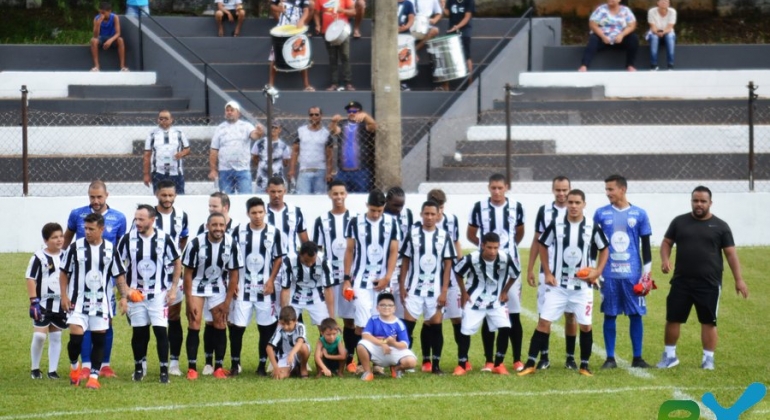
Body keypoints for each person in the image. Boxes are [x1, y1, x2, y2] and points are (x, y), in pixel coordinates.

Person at [519, 189, 609, 377]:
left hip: (582, 288)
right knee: (543, 322)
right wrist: (548, 271)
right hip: (558, 286)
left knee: (585, 325)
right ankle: (530, 363)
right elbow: (542, 244)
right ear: (566, 204)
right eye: (571, 202)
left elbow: (605, 248)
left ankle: (584, 365)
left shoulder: (592, 226)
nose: (574, 206)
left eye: (577, 203)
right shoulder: (556, 225)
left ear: (584, 204)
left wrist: (597, 271)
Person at [658, 186, 748, 370]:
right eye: (695, 200)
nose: (698, 204)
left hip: (709, 284)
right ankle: (669, 356)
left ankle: (708, 359)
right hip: (681, 282)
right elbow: (667, 242)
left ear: (710, 203)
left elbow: (731, 255)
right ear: (691, 201)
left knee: (708, 321)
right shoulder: (679, 222)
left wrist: (739, 280)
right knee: (673, 318)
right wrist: (665, 259)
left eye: (703, 201)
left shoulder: (721, 227)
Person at [63, 180, 126, 381]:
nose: (96, 201)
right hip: (80, 286)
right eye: (92, 197)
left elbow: (121, 245)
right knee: (79, 332)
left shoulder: (119, 218)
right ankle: (83, 364)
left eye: (99, 197)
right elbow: (67, 239)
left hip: (106, 284)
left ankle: (102, 367)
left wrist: (123, 292)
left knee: (104, 325)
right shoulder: (77, 214)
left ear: (107, 195)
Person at [466, 173, 525, 372]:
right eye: (493, 188)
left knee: (514, 314)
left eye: (500, 188)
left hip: (509, 267)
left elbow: (520, 232)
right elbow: (471, 234)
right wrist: (485, 250)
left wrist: (506, 252)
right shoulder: (478, 207)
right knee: (487, 311)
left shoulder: (517, 206)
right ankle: (489, 360)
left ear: (506, 187)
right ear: (488, 187)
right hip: (486, 270)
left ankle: (517, 359)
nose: (497, 191)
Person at [117, 205, 181, 384]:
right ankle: (139, 368)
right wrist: (125, 292)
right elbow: (119, 268)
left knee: (161, 332)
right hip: (136, 296)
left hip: (158, 295)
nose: (137, 222)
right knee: (139, 333)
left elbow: (177, 262)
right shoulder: (127, 239)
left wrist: (173, 288)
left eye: (141, 219)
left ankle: (163, 371)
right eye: (136, 219)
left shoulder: (164, 239)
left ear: (152, 220)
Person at [594, 175, 653, 369]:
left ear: (622, 189)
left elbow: (645, 246)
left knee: (636, 314)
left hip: (632, 275)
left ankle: (638, 357)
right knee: (609, 314)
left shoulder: (640, 214)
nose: (608, 193)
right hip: (609, 274)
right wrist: (594, 271)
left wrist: (646, 274)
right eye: (607, 189)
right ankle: (610, 358)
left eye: (611, 189)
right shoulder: (600, 214)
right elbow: (594, 244)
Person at [182, 212, 243, 380]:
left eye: (221, 225)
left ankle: (218, 367)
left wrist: (227, 302)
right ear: (207, 226)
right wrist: (188, 301)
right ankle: (192, 368)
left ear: (225, 227)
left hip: (217, 286)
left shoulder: (232, 244)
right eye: (214, 225)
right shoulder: (195, 244)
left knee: (220, 323)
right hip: (197, 285)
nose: (218, 228)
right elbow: (187, 274)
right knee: (194, 322)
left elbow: (234, 275)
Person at [342, 189, 400, 367]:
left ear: (384, 207)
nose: (375, 214)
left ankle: (378, 363)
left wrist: (387, 278)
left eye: (379, 210)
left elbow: (393, 251)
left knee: (381, 322)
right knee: (361, 322)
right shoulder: (355, 222)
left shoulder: (392, 223)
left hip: (383, 282)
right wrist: (346, 279)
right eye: (372, 210)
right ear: (367, 205)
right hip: (360, 280)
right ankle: (362, 361)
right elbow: (350, 250)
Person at [526, 176, 578, 370]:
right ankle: (544, 357)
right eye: (558, 190)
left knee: (571, 315)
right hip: (547, 272)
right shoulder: (545, 211)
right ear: (553, 190)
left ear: (570, 189)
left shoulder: (578, 210)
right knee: (544, 314)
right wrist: (531, 267)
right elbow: (537, 241)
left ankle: (570, 358)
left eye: (565, 190)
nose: (562, 194)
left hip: (572, 271)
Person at [230, 197, 285, 376]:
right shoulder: (238, 232)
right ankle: (235, 364)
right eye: (254, 213)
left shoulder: (274, 233)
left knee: (265, 328)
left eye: (261, 212)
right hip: (243, 289)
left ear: (265, 212)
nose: (257, 216)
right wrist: (234, 282)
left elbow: (278, 258)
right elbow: (232, 258)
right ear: (248, 214)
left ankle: (262, 365)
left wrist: (271, 281)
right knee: (238, 328)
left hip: (265, 290)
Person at [398, 200, 455, 375]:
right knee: (408, 327)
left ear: (438, 215)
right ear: (421, 214)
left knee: (436, 327)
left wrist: (444, 290)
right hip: (414, 289)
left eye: (432, 214)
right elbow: (405, 262)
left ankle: (435, 365)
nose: (429, 217)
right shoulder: (413, 234)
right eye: (426, 214)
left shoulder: (444, 236)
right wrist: (402, 286)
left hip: (435, 291)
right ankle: (405, 362)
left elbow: (447, 265)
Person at [453, 232, 518, 376]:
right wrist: (463, 292)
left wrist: (505, 291)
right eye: (489, 247)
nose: (493, 251)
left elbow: (515, 274)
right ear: (482, 246)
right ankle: (462, 365)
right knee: (465, 330)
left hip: (496, 301)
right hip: (474, 300)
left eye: (496, 248)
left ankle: (498, 364)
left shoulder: (505, 258)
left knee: (505, 327)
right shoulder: (472, 258)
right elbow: (458, 272)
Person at [312, 180, 358, 372]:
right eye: (335, 193)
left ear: (346, 195)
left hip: (350, 276)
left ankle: (349, 360)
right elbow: (318, 250)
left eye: (342, 193)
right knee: (327, 320)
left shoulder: (355, 218)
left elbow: (358, 247)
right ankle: (325, 360)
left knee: (350, 319)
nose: (338, 197)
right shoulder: (322, 220)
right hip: (329, 278)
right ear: (329, 195)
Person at [152, 180, 189, 376]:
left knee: (174, 317)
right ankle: (141, 362)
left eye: (171, 195)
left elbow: (183, 239)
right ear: (157, 193)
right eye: (164, 195)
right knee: (149, 321)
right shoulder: (148, 215)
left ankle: (174, 362)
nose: (167, 199)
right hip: (150, 277)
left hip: (173, 275)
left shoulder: (182, 216)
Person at [426, 188, 466, 372]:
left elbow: (456, 241)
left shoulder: (451, 219)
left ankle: (463, 358)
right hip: (432, 280)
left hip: (451, 279)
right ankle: (428, 360)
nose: (439, 213)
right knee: (431, 320)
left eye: (441, 208)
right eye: (436, 208)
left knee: (457, 318)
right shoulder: (424, 224)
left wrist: (460, 261)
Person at [26, 223, 66, 380]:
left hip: (61, 305)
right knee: (40, 337)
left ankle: (52, 371)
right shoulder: (39, 257)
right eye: (54, 237)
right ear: (45, 240)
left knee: (56, 337)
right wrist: (33, 300)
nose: (59, 240)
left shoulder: (66, 255)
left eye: (61, 236)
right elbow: (30, 278)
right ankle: (35, 368)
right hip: (42, 304)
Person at [356, 290, 417, 380]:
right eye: (383, 305)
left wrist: (393, 343)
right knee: (361, 345)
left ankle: (396, 369)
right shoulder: (373, 319)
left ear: (394, 308)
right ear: (377, 308)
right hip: (377, 349)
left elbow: (405, 344)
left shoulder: (399, 323)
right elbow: (365, 335)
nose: (386, 307)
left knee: (412, 361)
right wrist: (383, 343)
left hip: (392, 350)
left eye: (389, 305)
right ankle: (368, 372)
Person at [209, 101, 265, 195]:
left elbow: (254, 136)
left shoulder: (246, 126)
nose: (229, 112)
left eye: (232, 110)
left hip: (242, 170)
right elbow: (214, 150)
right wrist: (213, 170)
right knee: (226, 199)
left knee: (245, 198)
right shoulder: (220, 128)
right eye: (227, 110)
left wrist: (259, 132)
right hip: (225, 170)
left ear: (238, 113)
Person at [281, 241, 335, 328]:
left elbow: (328, 289)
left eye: (312, 261)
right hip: (294, 294)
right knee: (287, 325)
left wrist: (332, 318)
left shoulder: (324, 261)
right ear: (300, 255)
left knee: (328, 327)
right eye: (306, 261)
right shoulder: (289, 260)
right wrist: (283, 314)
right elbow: (285, 289)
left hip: (316, 294)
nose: (309, 264)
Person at [328, 101, 377, 193]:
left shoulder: (364, 125)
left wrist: (366, 116)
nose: (351, 113)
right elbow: (334, 131)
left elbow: (373, 126)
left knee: (362, 197)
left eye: (354, 111)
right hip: (343, 171)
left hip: (361, 171)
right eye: (349, 111)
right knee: (341, 195)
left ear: (360, 112)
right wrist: (333, 122)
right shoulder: (342, 124)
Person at [578, 0, 638, 72]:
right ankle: (584, 66)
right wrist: (603, 36)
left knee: (633, 38)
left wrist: (622, 35)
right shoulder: (600, 9)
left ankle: (630, 65)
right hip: (603, 39)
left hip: (619, 39)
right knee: (593, 38)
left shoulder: (625, 10)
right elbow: (593, 25)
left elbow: (631, 26)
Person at [269, 0, 315, 91]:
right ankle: (270, 85)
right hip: (282, 29)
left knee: (301, 56)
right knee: (274, 56)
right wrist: (278, 9)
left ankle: (306, 85)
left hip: (297, 29)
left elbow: (306, 10)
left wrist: (302, 21)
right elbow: (271, 5)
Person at [143, 110, 191, 194]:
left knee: (179, 197)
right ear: (157, 120)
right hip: (158, 172)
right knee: (159, 197)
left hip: (176, 172)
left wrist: (182, 153)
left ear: (171, 119)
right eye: (161, 118)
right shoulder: (152, 134)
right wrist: (146, 174)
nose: (163, 121)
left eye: (166, 118)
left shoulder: (179, 133)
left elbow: (187, 149)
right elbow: (147, 155)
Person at [384, 187, 413, 322]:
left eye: (401, 205)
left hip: (403, 265)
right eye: (395, 205)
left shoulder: (408, 214)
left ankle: (402, 340)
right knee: (385, 305)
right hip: (386, 266)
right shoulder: (380, 216)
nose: (399, 209)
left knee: (402, 305)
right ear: (387, 201)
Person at [314, 0, 356, 91]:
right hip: (328, 31)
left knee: (345, 55)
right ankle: (334, 83)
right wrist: (317, 25)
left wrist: (343, 11)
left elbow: (353, 12)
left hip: (342, 30)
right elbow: (316, 13)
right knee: (333, 57)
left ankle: (348, 83)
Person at [289, 106, 332, 194]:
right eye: (311, 114)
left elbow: (329, 155)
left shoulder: (326, 133)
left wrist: (329, 172)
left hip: (321, 171)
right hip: (304, 171)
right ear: (309, 116)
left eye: (316, 114)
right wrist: (292, 169)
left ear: (321, 116)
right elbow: (295, 152)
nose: (314, 117)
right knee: (302, 199)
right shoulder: (300, 131)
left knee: (320, 200)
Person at [266, 306, 311, 379]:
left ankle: (303, 367)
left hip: (297, 353)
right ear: (280, 321)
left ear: (295, 320)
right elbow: (269, 348)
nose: (286, 327)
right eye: (283, 324)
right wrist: (276, 367)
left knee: (303, 347)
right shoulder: (279, 329)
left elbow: (300, 341)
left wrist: (292, 354)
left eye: (288, 324)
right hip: (286, 355)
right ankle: (293, 369)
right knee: (278, 376)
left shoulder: (300, 326)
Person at [251, 120, 292, 193]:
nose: (273, 129)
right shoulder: (259, 143)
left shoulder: (283, 146)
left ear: (279, 130)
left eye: (275, 128)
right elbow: (254, 158)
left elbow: (286, 162)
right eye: (271, 127)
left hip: (277, 181)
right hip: (262, 180)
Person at [441, 0, 474, 91]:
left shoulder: (469, 1)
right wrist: (443, 4)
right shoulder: (451, 1)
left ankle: (470, 82)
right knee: (447, 55)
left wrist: (457, 27)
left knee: (466, 55)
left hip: (464, 30)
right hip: (451, 29)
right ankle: (446, 85)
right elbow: (447, 13)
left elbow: (467, 17)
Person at [90, 2, 127, 72]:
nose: (102, 15)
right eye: (100, 13)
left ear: (109, 11)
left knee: (120, 40)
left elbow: (118, 33)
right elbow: (95, 36)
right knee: (93, 40)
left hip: (112, 38)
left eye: (103, 13)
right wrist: (98, 24)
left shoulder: (114, 17)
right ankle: (96, 66)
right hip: (101, 37)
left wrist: (110, 40)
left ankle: (122, 66)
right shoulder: (97, 18)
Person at [647, 0, 677, 70]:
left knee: (669, 37)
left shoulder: (672, 12)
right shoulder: (651, 11)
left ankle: (670, 65)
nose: (664, 2)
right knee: (654, 38)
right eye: (662, 1)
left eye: (666, 1)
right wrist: (658, 32)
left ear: (669, 4)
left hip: (668, 33)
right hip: (654, 33)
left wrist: (662, 32)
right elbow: (653, 26)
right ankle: (653, 65)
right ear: (657, 3)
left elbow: (670, 27)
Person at [397, 0, 415, 92]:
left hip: (404, 35)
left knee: (403, 59)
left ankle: (403, 83)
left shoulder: (408, 3)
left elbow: (411, 18)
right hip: (390, 34)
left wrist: (406, 27)